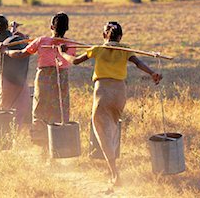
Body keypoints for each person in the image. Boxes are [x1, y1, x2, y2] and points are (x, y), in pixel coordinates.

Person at [59, 21, 162, 188]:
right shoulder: (125, 49)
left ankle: (115, 174)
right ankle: (113, 167)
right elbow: (138, 63)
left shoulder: (97, 49)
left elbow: (76, 61)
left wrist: (62, 53)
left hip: (103, 94)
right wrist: (152, 73)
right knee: (112, 127)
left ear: (103, 36)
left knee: (102, 131)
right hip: (120, 93)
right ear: (120, 38)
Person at [0, 12, 76, 144]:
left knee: (40, 110)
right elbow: (71, 60)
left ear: (52, 27)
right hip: (61, 79)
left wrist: (5, 51)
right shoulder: (71, 44)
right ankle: (56, 144)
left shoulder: (42, 41)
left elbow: (21, 54)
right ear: (67, 28)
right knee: (60, 110)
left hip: (44, 79)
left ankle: (42, 145)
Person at [0, 15, 31, 126]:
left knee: (6, 110)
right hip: (22, 81)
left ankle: (7, 136)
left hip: (7, 82)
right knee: (20, 110)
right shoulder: (19, 40)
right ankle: (16, 135)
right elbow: (26, 52)